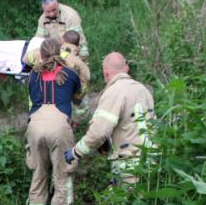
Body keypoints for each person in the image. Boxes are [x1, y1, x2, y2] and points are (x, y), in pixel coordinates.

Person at [64, 52, 155, 185]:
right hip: (151, 160)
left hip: (129, 163)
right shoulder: (144, 90)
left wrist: (76, 152)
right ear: (127, 69)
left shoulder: (114, 92)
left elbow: (99, 132)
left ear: (105, 72)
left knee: (122, 203)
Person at [25, 38, 82, 205]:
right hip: (59, 125)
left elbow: (33, 97)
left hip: (35, 125)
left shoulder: (32, 75)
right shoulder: (70, 74)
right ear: (60, 52)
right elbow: (78, 98)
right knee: (62, 172)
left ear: (41, 55)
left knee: (39, 170)